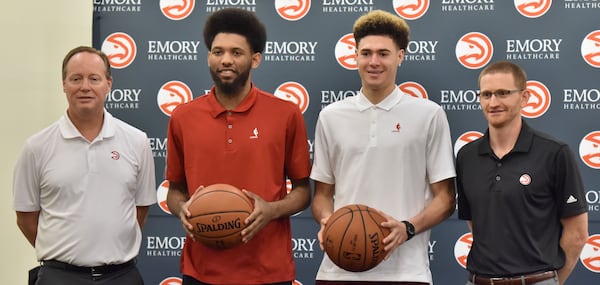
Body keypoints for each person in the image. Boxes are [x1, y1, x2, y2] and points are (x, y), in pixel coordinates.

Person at [165, 8, 312, 285]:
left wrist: (271, 210)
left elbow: (303, 191)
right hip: (201, 272)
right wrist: (182, 209)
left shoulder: (286, 114)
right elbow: (174, 191)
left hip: (268, 271)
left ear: (255, 59)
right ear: (209, 56)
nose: (226, 60)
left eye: (236, 52)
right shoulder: (183, 116)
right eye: (218, 52)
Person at [310, 10, 456, 285]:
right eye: (366, 53)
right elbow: (322, 195)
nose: (373, 61)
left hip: (407, 273)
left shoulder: (428, 114)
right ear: (355, 56)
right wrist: (328, 222)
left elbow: (446, 198)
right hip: (339, 270)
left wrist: (407, 229)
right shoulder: (331, 116)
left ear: (400, 56)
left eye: (383, 53)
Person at [12, 46, 157, 285]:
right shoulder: (36, 147)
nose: (85, 87)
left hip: (122, 276)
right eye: (76, 79)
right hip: (59, 277)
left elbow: (139, 210)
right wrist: (66, 255)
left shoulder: (137, 141)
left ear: (108, 84)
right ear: (64, 84)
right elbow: (26, 218)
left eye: (94, 78)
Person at [456, 61, 589, 285]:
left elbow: (577, 233)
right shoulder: (466, 157)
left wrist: (550, 281)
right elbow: (476, 224)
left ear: (525, 97)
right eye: (486, 94)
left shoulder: (554, 153)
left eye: (503, 93)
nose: (493, 102)